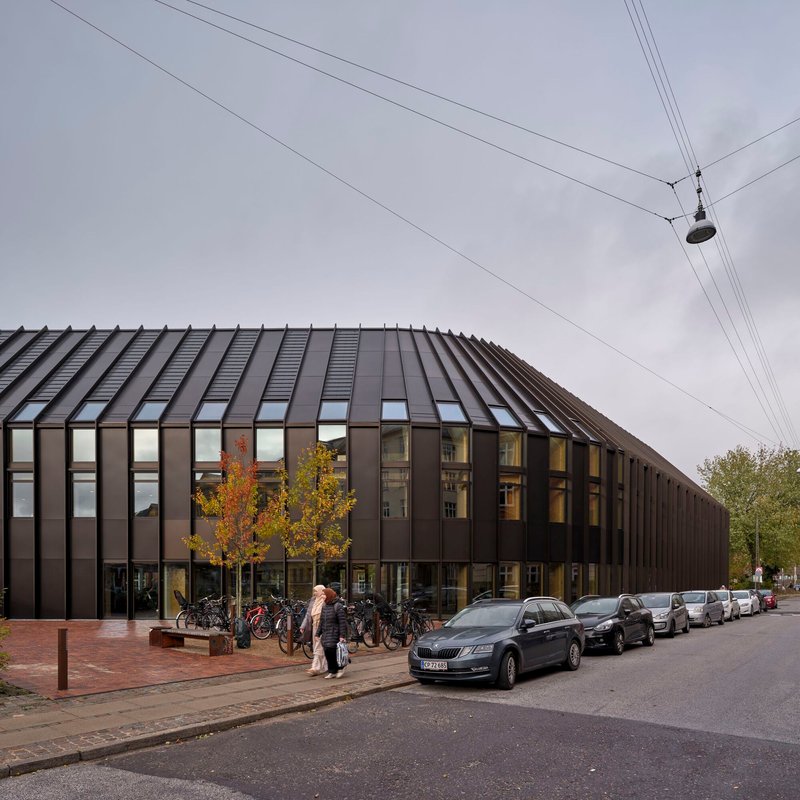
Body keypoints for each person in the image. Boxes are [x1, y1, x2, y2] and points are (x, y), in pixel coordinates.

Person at [316, 587, 348, 679]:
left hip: (335, 633)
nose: (322, 596)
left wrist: (342, 635)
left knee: (334, 652)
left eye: (324, 595)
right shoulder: (324, 606)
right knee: (327, 652)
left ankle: (341, 668)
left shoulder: (338, 606)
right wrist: (317, 634)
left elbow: (342, 622)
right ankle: (332, 671)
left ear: (328, 596)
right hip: (326, 633)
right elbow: (321, 621)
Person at [300, 584, 326, 676]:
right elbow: (308, 614)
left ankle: (315, 667)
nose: (314, 593)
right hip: (314, 626)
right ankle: (324, 666)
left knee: (318, 647)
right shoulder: (313, 600)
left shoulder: (325, 600)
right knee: (318, 646)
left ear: (321, 591)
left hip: (323, 627)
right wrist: (303, 626)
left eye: (316, 591)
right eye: (314, 591)